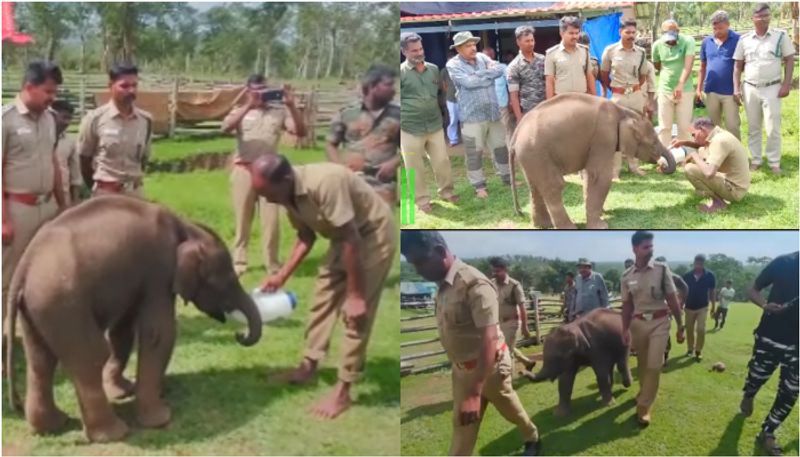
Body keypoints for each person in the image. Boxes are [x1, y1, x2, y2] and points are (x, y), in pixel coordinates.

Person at [249, 154, 395, 419]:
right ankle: (308, 367)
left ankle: (343, 390)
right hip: (344, 238)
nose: (266, 199)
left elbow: (353, 237)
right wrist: (281, 276)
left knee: (356, 315)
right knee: (321, 299)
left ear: (283, 179)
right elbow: (306, 236)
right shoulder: (285, 192)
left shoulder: (326, 181)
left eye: (266, 193)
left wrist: (354, 295)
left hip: (372, 235)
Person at [401, 231, 541, 456]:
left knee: (510, 409)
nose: (418, 269)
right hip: (462, 370)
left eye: (420, 262)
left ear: (439, 252)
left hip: (490, 367)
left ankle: (532, 437)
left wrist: (475, 393)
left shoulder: (474, 284)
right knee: (463, 424)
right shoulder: (443, 284)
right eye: (413, 263)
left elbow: (489, 338)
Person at [2, 61, 67, 337]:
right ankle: (4, 341)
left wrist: (64, 207)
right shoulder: (6, 120)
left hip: (48, 207)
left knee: (48, 272)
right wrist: (3, 219)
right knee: (7, 278)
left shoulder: (50, 118)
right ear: (29, 87)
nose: (53, 97)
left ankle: (40, 335)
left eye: (54, 92)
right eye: (48, 91)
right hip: (18, 210)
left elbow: (53, 162)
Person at [221, 73, 305, 276]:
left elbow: (300, 132)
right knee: (242, 218)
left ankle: (273, 264)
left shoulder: (278, 112)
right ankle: (239, 262)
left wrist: (292, 106)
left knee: (272, 221)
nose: (260, 94)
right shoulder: (239, 111)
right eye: (255, 90)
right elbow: (225, 128)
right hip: (244, 170)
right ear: (248, 90)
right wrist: (248, 106)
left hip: (271, 175)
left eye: (264, 90)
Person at [621, 231, 685, 426]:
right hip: (638, 324)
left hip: (659, 322)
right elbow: (627, 306)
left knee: (654, 365)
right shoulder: (626, 276)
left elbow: (673, 300)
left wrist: (680, 325)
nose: (650, 250)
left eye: (652, 246)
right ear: (635, 249)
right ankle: (643, 392)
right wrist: (624, 329)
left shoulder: (662, 269)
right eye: (646, 247)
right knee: (642, 365)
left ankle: (644, 407)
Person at [740, 251, 798, 456]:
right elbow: (752, 289)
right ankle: (749, 393)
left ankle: (768, 431)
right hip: (770, 337)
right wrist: (765, 305)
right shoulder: (784, 262)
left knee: (790, 391)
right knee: (757, 377)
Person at [733, 3, 796, 175]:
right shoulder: (744, 40)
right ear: (753, 18)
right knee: (753, 127)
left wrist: (786, 84)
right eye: (760, 16)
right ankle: (756, 160)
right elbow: (738, 66)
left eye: (767, 15)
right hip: (750, 88)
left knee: (772, 126)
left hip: (772, 87)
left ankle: (774, 162)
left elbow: (790, 60)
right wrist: (736, 88)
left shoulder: (780, 37)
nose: (763, 19)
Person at [446, 31, 510, 198]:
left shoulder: (482, 57)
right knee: (474, 153)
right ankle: (479, 186)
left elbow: (501, 69)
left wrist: (479, 74)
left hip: (493, 113)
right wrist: (488, 74)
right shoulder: (453, 64)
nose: (473, 48)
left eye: (473, 44)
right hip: (471, 116)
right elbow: (468, 83)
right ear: (459, 48)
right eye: (468, 45)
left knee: (501, 148)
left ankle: (507, 178)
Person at [400, 33, 458, 214]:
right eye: (414, 50)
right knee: (413, 166)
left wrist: (445, 117)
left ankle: (447, 192)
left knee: (442, 161)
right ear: (404, 52)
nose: (419, 53)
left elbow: (441, 95)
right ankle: (422, 200)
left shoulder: (433, 69)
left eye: (421, 49)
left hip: (434, 125)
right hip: (409, 128)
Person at [327, 65, 401, 204]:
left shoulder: (399, 115)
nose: (393, 89)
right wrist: (340, 169)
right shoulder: (347, 113)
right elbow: (331, 144)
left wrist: (393, 163)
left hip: (383, 186)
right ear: (372, 87)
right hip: (351, 183)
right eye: (388, 85)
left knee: (381, 224)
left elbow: (411, 148)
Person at [78, 63, 153, 199]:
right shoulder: (95, 119)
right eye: (124, 86)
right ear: (110, 86)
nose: (131, 91)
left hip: (135, 194)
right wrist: (100, 187)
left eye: (134, 85)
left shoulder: (145, 120)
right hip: (105, 194)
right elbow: (84, 159)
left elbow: (143, 160)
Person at [600, 18, 650, 178]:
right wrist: (615, 89)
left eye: (633, 32)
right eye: (627, 32)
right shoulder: (610, 50)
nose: (631, 35)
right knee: (615, 132)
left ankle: (634, 166)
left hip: (635, 96)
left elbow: (643, 76)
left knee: (636, 131)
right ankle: (615, 171)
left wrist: (633, 88)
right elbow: (604, 74)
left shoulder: (641, 52)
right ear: (620, 32)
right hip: (618, 97)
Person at [672, 117, 750, 213]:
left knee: (690, 169)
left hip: (734, 191)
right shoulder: (719, 133)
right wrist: (684, 143)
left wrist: (693, 155)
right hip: (738, 186)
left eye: (694, 135)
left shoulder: (719, 141)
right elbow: (702, 144)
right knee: (701, 150)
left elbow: (709, 173)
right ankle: (713, 194)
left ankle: (718, 203)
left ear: (702, 130)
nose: (693, 138)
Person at [697, 10, 741, 140]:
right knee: (714, 127)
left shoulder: (738, 40)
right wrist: (699, 88)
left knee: (732, 126)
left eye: (720, 28)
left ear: (728, 24)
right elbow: (702, 66)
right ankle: (717, 155)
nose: (717, 31)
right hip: (711, 90)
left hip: (730, 91)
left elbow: (742, 64)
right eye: (714, 28)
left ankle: (737, 157)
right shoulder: (707, 42)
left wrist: (738, 88)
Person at [652, 19, 695, 147]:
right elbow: (657, 65)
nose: (671, 41)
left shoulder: (688, 41)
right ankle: (665, 156)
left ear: (678, 31)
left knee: (684, 126)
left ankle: (687, 155)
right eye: (667, 37)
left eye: (673, 35)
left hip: (685, 89)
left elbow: (688, 65)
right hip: (665, 89)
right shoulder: (657, 45)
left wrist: (680, 84)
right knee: (664, 126)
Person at [544, 16, 596, 99]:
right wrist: (550, 104)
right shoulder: (551, 54)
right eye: (571, 33)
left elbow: (590, 76)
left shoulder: (584, 51)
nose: (575, 36)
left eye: (577, 33)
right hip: (562, 101)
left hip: (582, 99)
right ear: (561, 33)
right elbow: (549, 81)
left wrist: (595, 100)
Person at [489, 257, 531, 355]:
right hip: (498, 323)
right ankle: (527, 362)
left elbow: (522, 307)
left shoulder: (514, 285)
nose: (495, 274)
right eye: (493, 271)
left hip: (511, 323)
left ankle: (509, 370)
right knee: (500, 348)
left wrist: (525, 327)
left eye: (498, 271)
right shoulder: (491, 284)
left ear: (505, 270)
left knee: (506, 352)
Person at [506, 26, 546, 126]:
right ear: (518, 42)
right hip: (528, 113)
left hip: (545, 109)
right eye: (527, 41)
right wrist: (519, 118)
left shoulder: (543, 59)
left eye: (532, 40)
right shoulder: (514, 66)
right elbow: (513, 96)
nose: (531, 43)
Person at [681, 254, 716, 362]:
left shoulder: (710, 275)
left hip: (703, 306)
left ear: (704, 263)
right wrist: (680, 304)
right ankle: (690, 349)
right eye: (697, 263)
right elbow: (682, 291)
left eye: (700, 264)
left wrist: (713, 306)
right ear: (694, 263)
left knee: (701, 329)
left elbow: (712, 291)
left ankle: (698, 350)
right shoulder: (687, 275)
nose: (698, 266)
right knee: (689, 330)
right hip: (689, 307)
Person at [50, 100, 84, 205]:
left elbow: (75, 176)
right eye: (64, 117)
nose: (67, 122)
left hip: (64, 198)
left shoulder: (70, 141)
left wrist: (75, 202)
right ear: (52, 116)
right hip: (42, 198)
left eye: (69, 118)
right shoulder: (37, 138)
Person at [481, 47, 513, 150]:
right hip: (485, 105)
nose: (488, 57)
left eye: (490, 55)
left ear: (493, 55)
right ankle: (495, 150)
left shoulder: (503, 67)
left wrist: (512, 100)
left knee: (506, 128)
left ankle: (509, 149)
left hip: (501, 104)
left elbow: (510, 85)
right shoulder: (478, 70)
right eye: (486, 55)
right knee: (489, 129)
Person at [440, 50, 461, 147]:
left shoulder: (460, 69)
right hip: (451, 99)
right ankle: (453, 139)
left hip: (462, 98)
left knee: (466, 119)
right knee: (453, 119)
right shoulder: (444, 71)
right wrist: (449, 92)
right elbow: (443, 85)